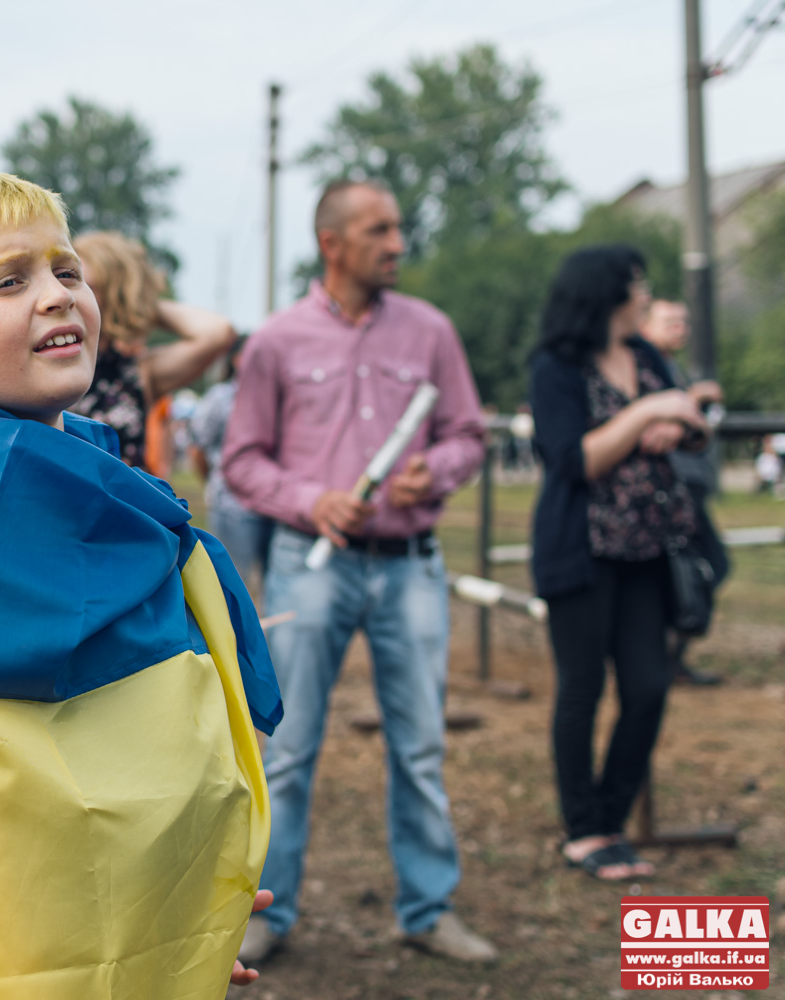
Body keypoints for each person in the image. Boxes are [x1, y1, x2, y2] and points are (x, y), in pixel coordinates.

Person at [0, 172, 283, 995]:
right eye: (8, 282)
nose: (56, 295)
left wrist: (171, 921)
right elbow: (3, 811)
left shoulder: (91, 471)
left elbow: (123, 756)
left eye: (66, 270)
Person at [223, 179, 495, 966]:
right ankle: (267, 912)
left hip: (410, 566)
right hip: (311, 565)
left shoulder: (431, 331)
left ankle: (428, 909)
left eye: (398, 228)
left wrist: (436, 471)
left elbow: (468, 435)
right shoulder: (276, 342)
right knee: (288, 749)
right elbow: (242, 459)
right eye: (380, 230)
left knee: (419, 747)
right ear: (332, 243)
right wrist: (312, 501)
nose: (398, 243)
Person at [529, 245, 709, 882]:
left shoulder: (648, 356)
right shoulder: (555, 367)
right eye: (637, 284)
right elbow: (574, 459)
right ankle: (583, 831)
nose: (645, 295)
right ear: (605, 293)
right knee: (581, 689)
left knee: (649, 687)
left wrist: (676, 427)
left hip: (648, 551)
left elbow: (692, 420)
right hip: (582, 554)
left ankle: (612, 818)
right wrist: (648, 414)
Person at [68, 231, 236, 467]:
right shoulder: (44, 358)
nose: (71, 296)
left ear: (114, 294)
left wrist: (138, 303)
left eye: (88, 286)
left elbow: (218, 331)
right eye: (66, 279)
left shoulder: (136, 371)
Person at [638, 299, 727, 685]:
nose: (680, 328)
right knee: (701, 567)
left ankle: (667, 655)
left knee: (700, 570)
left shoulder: (673, 368)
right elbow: (648, 417)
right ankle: (658, 657)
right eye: (670, 322)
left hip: (688, 485)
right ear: (645, 326)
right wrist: (695, 399)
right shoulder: (644, 367)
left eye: (683, 322)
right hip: (669, 488)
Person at [189, 340, 270, 589]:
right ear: (236, 359)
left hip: (273, 506)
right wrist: (212, 481)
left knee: (274, 583)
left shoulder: (274, 397)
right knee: (231, 580)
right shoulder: (220, 398)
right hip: (231, 504)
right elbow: (198, 447)